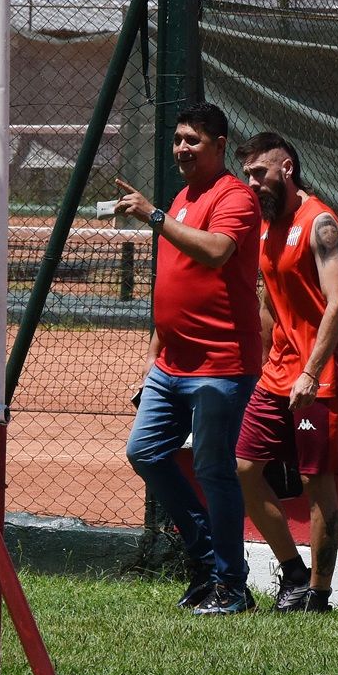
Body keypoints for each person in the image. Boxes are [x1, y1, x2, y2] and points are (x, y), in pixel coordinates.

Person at [114, 102, 262, 616]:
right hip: (170, 365)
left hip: (221, 365)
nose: (181, 148)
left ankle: (231, 585)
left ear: (219, 145)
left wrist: (151, 214)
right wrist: (153, 358)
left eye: (192, 140)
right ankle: (204, 563)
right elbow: (172, 284)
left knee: (213, 469)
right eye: (177, 139)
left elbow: (217, 252)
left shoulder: (235, 197)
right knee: (146, 452)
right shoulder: (181, 197)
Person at [233, 132, 338, 613]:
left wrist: (310, 370)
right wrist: (264, 360)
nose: (251, 182)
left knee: (316, 485)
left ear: (286, 169)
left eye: (258, 172)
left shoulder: (320, 223)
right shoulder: (265, 227)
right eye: (246, 174)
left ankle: (319, 597)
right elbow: (269, 299)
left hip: (318, 378)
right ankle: (293, 573)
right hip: (276, 374)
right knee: (244, 468)